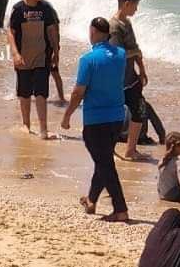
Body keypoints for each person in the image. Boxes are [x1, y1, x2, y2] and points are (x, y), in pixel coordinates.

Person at [61, 17, 129, 222]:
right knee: (104, 159)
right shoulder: (121, 55)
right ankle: (91, 200)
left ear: (94, 32)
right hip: (118, 117)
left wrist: (67, 115)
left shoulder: (88, 60)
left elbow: (78, 92)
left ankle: (121, 209)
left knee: (105, 163)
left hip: (96, 119)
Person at [8, 0, 60, 139]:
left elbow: (52, 30)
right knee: (24, 93)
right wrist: (15, 53)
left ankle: (43, 129)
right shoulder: (18, 9)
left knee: (41, 92)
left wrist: (56, 52)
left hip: (42, 57)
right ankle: (26, 124)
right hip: (23, 57)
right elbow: (11, 32)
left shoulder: (46, 8)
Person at [110, 0, 149, 160]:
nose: (136, 9)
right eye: (135, 6)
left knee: (138, 112)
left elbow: (135, 48)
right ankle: (111, 148)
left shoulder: (127, 22)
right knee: (114, 116)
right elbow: (119, 53)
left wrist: (142, 69)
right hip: (118, 80)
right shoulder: (114, 26)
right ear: (126, 4)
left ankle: (130, 149)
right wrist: (135, 53)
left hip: (131, 77)